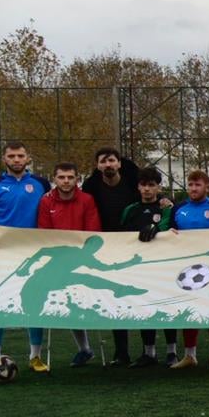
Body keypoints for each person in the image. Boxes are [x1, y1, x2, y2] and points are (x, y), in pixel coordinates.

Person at [0, 141, 49, 374]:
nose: (16, 160)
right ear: (4, 159)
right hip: (2, 252)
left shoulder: (41, 184)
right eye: (12, 156)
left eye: (20, 156)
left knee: (34, 302)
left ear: (28, 158)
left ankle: (35, 357)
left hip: (34, 252)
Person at [33, 160, 105, 367]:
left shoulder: (87, 199)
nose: (66, 181)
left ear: (77, 179)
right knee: (67, 302)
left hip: (82, 258)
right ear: (54, 179)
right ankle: (84, 349)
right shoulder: (46, 201)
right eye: (61, 177)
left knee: (87, 299)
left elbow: (93, 232)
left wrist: (81, 255)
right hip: (57, 260)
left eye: (70, 177)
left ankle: (88, 348)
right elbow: (44, 233)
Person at [82, 146, 146, 366]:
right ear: (97, 166)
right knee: (116, 297)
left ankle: (149, 351)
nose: (107, 164)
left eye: (111, 160)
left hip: (136, 245)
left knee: (143, 295)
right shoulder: (91, 186)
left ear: (119, 163)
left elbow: (149, 198)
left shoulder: (133, 181)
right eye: (103, 161)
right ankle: (121, 353)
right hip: (107, 248)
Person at [169, 170, 209, 369]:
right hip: (186, 269)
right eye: (190, 185)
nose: (193, 189)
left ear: (207, 187)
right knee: (188, 309)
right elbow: (169, 232)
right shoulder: (178, 208)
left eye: (198, 185)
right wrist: (169, 233)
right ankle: (190, 355)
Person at [119, 167, 178, 367]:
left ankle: (172, 352)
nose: (147, 189)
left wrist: (156, 229)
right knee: (145, 307)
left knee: (167, 307)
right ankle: (149, 352)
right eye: (143, 185)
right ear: (138, 186)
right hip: (140, 268)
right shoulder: (130, 209)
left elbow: (169, 227)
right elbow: (122, 235)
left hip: (164, 266)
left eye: (151, 185)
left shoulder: (166, 207)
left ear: (158, 187)